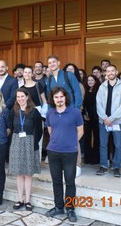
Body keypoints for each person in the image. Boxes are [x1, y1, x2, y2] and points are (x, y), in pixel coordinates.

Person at [45, 87, 83, 222]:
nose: (59, 100)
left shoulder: (75, 112)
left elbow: (80, 131)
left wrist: (71, 142)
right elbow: (50, 131)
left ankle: (70, 208)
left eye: (61, 97)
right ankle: (58, 207)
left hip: (70, 152)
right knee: (56, 182)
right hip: (53, 151)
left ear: (65, 97)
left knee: (70, 181)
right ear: (53, 99)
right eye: (56, 97)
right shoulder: (50, 113)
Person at [9, 88, 42, 211]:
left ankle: (27, 200)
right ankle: (19, 199)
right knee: (19, 173)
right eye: (18, 97)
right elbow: (11, 128)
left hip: (29, 143)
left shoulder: (34, 112)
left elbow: (39, 130)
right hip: (17, 142)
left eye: (22, 96)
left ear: (27, 97)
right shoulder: (14, 111)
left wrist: (33, 143)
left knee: (28, 173)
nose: (20, 99)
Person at [95, 65, 121, 177]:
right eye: (108, 71)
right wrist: (105, 118)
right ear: (105, 73)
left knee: (118, 145)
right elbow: (98, 104)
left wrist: (111, 118)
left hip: (117, 121)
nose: (110, 73)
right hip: (103, 121)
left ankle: (116, 167)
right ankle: (104, 166)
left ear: (116, 72)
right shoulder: (102, 87)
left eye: (112, 71)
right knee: (103, 144)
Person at [82, 75, 101, 165]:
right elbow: (84, 105)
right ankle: (88, 158)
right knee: (87, 138)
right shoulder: (85, 91)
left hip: (96, 118)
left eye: (92, 80)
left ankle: (96, 159)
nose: (90, 82)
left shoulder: (98, 91)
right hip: (87, 118)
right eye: (88, 80)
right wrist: (85, 114)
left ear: (95, 81)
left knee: (97, 138)